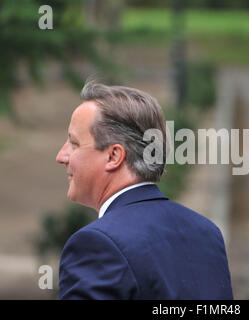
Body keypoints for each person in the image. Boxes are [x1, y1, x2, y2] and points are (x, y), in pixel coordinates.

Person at [56, 82, 233, 299]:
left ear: (113, 156)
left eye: (74, 143)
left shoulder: (98, 245)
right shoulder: (206, 232)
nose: (61, 156)